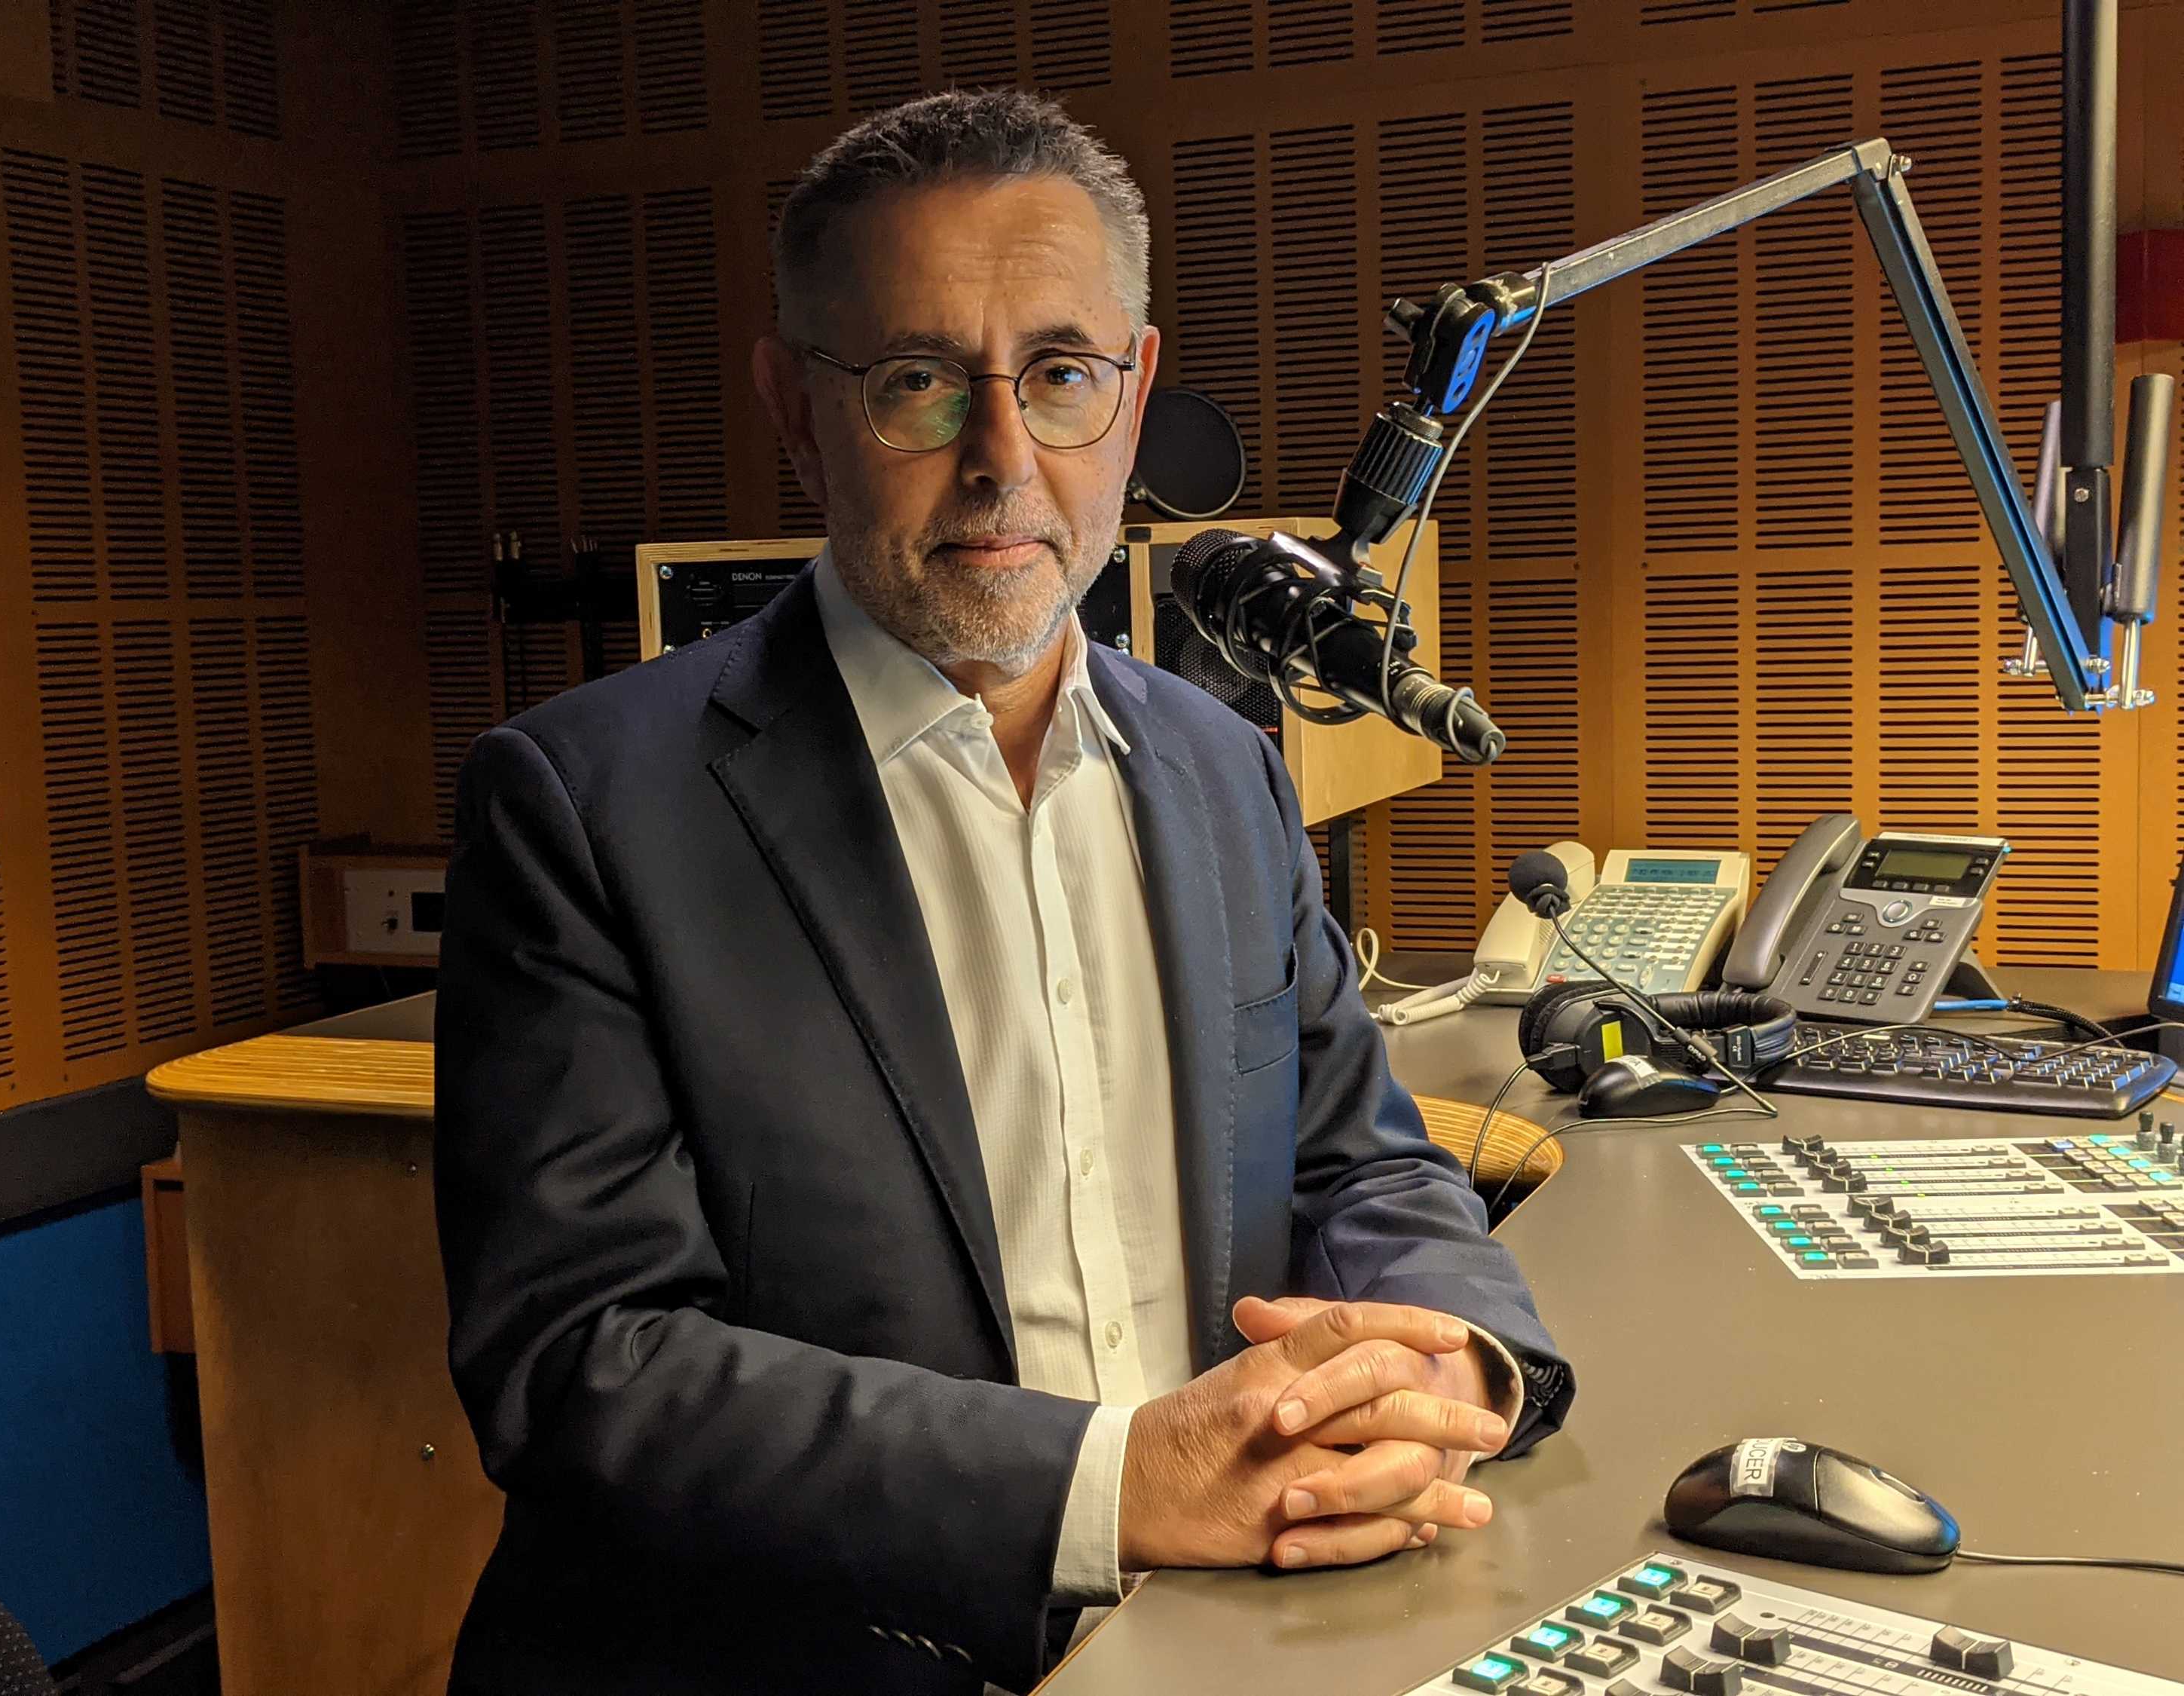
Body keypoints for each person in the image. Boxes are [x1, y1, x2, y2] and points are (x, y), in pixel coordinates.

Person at [432, 87, 1573, 1696]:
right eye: (915, 383)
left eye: (1060, 376)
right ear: (792, 406)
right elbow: (583, 1364)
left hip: (1219, 1641)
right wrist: (1114, 1487)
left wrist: (1458, 1359)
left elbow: (1360, 1165)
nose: (1003, 458)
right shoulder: (581, 804)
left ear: (1138, 387)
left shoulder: (1230, 767)